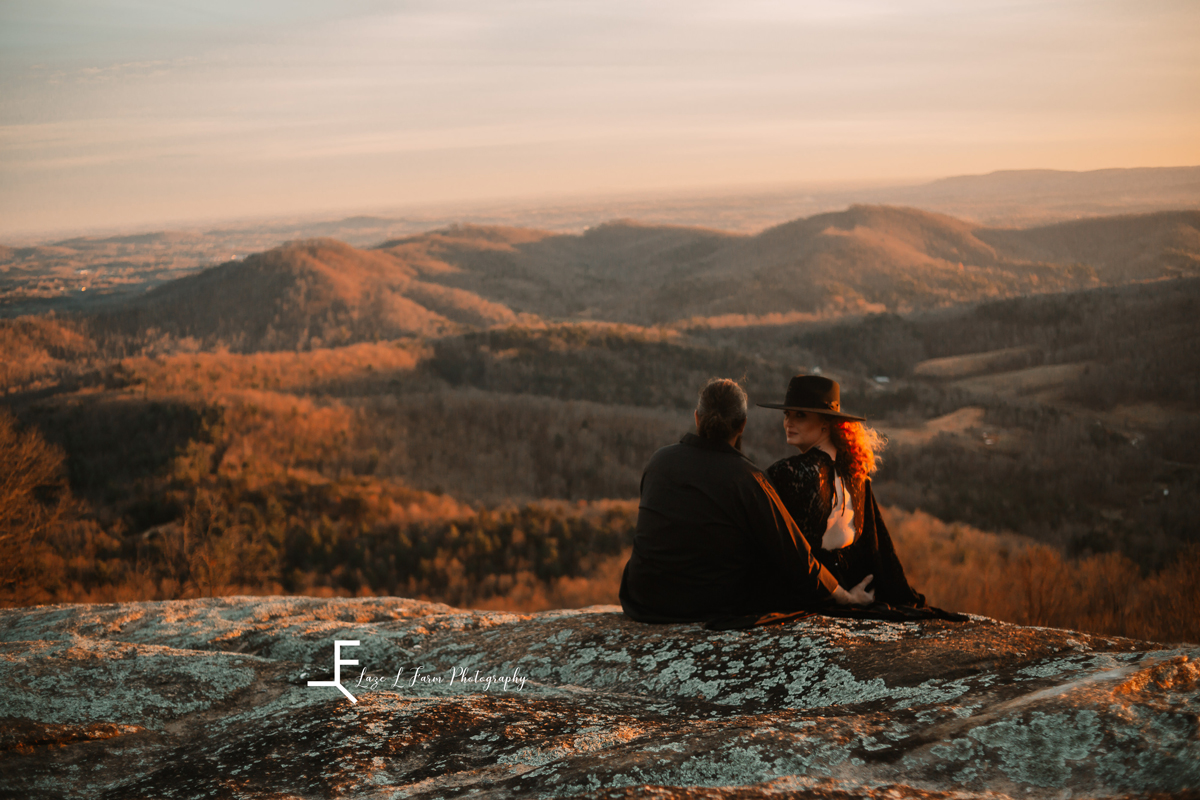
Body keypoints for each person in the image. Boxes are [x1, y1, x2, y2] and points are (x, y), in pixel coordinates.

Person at [619, 378, 876, 624]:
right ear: (742, 425)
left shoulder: (658, 461)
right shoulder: (749, 479)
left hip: (642, 600)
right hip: (707, 606)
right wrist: (845, 597)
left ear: (696, 417)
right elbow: (797, 557)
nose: (789, 422)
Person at [759, 374, 929, 610]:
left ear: (825, 423)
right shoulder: (856, 474)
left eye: (800, 415)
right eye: (786, 414)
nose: (788, 422)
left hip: (810, 599)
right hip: (848, 593)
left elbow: (778, 552)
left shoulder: (790, 473)